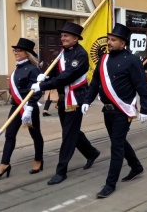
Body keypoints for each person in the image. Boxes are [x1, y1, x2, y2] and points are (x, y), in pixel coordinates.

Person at [82, 24, 147, 198]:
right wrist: (87, 100)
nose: (109, 43)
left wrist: (145, 107)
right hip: (108, 110)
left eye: (113, 40)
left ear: (123, 43)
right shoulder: (103, 59)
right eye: (109, 39)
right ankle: (136, 166)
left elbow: (141, 85)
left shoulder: (133, 60)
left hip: (123, 111)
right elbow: (96, 82)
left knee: (116, 146)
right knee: (117, 140)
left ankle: (110, 184)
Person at [31, 22, 101, 185]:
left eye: (66, 36)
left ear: (75, 38)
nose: (62, 38)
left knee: (68, 135)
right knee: (71, 131)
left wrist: (43, 86)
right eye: (61, 36)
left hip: (76, 100)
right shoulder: (61, 54)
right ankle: (91, 152)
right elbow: (55, 72)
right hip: (64, 98)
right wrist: (44, 77)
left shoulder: (81, 55)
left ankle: (61, 171)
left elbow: (67, 76)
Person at [0, 38, 44, 178]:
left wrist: (30, 108)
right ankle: (4, 164)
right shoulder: (17, 68)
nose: (15, 52)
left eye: (19, 50)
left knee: (35, 134)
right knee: (10, 135)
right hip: (16, 107)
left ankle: (38, 160)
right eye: (15, 50)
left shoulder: (34, 69)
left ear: (27, 53)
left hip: (29, 108)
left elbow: (37, 91)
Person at [42, 51, 60, 117]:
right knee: (60, 95)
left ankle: (45, 110)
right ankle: (59, 107)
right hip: (54, 82)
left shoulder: (50, 63)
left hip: (49, 81)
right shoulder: (56, 63)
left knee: (49, 98)